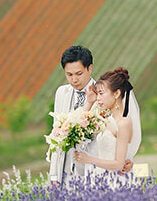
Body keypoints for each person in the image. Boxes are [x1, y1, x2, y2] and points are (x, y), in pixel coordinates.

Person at [48, 46, 134, 187]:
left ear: (90, 68)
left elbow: (121, 132)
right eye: (69, 75)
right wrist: (54, 175)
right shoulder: (61, 93)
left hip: (96, 171)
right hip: (66, 170)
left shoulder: (106, 94)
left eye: (79, 73)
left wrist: (127, 159)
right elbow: (56, 134)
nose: (74, 79)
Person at [75, 68, 139, 185]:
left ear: (116, 93)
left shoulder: (124, 122)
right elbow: (77, 127)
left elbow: (119, 164)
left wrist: (88, 160)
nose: (98, 98)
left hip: (115, 180)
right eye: (97, 94)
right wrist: (89, 102)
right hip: (100, 177)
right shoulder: (105, 118)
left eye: (101, 93)